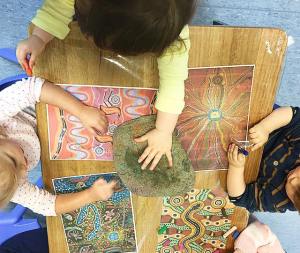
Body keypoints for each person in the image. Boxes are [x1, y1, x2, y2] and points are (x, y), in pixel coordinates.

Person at [16, 0, 196, 171]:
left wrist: (164, 131)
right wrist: (38, 37)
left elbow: (174, 83)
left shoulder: (172, 34)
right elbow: (58, 8)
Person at [0, 77, 116, 216]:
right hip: (51, 140)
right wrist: (91, 195)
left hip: (47, 103)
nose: (24, 169)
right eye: (20, 178)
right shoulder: (9, 185)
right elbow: (46, 205)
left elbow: (32, 88)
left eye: (13, 161)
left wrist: (81, 111)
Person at [227, 106, 300, 212]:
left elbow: (240, 198)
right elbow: (294, 115)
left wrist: (236, 168)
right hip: (268, 120)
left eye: (293, 194)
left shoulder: (278, 202)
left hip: (239, 158)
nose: (292, 181)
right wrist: (265, 127)